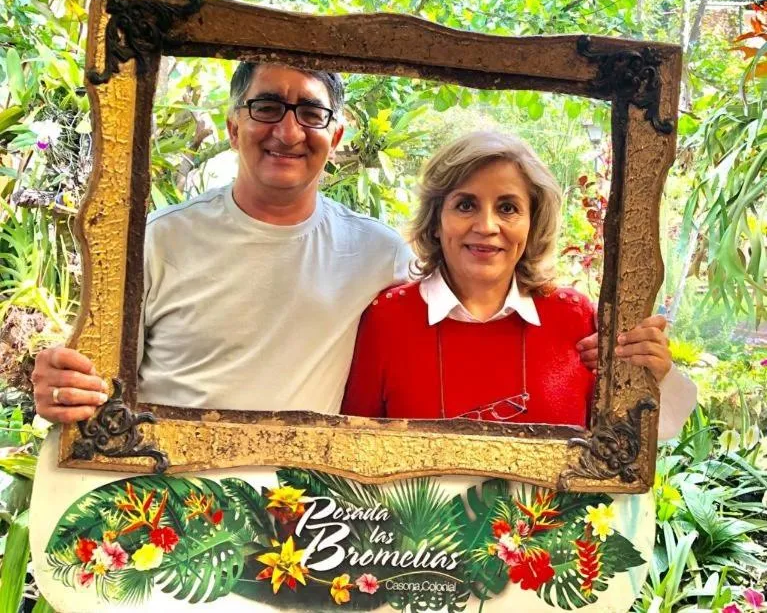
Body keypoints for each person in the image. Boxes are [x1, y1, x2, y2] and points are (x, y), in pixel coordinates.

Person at [32, 68, 692, 435]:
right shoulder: (158, 241)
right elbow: (90, 375)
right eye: (265, 107)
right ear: (233, 125)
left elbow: (643, 429)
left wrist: (648, 370)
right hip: (184, 505)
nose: (288, 130)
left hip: (365, 533)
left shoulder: (380, 258)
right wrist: (61, 384)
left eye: (310, 113)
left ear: (336, 135)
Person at [341, 131, 696, 437]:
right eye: (466, 205)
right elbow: (352, 450)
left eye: (508, 208)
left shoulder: (574, 318)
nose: (487, 225)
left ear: (532, 222)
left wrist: (655, 373)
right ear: (436, 221)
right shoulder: (387, 318)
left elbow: (642, 439)